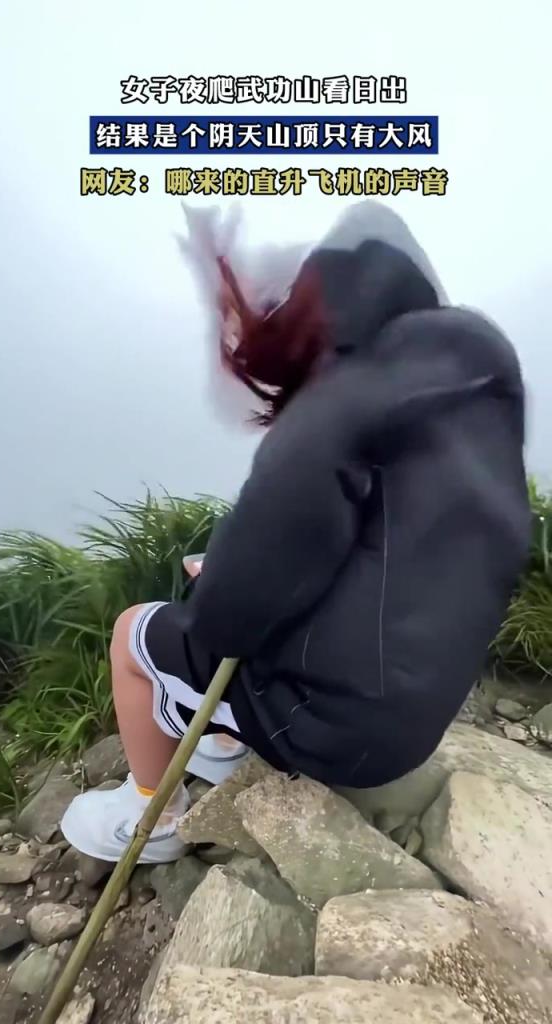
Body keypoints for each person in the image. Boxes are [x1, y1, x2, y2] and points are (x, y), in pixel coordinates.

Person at [61, 201, 532, 864]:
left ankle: (152, 815)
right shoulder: (482, 395)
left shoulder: (344, 398)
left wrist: (215, 581)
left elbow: (227, 620)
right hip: (420, 713)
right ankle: (222, 743)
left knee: (133, 634)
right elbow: (383, 561)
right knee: (244, 602)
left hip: (338, 729)